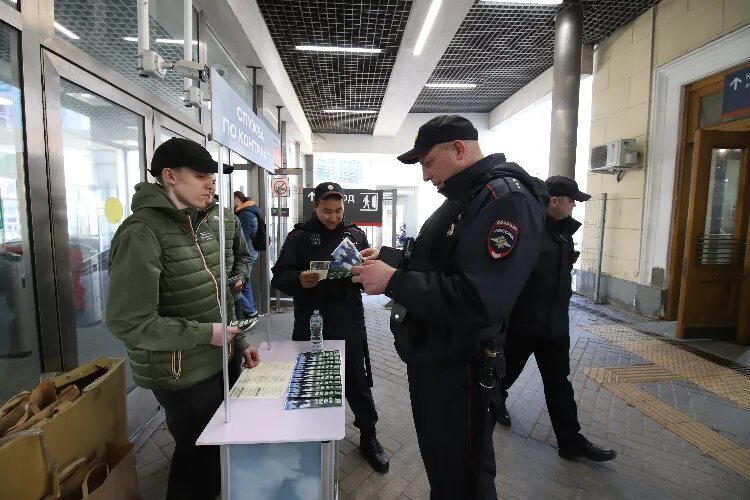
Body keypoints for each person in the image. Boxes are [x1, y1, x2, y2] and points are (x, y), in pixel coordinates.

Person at [351, 115, 548, 499]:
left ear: (459, 149)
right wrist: (391, 260)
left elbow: (481, 298)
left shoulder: (504, 200)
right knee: (444, 469)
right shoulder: (466, 198)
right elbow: (442, 259)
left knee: (463, 477)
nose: (426, 175)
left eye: (427, 162)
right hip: (436, 359)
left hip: (462, 368)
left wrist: (393, 280)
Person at [106, 138, 260, 500]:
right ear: (170, 176)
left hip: (219, 358)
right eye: (201, 175)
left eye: (212, 176)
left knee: (218, 452)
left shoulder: (207, 221)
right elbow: (129, 322)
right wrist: (208, 334)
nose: (211, 183)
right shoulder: (141, 232)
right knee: (197, 460)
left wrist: (238, 341)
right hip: (179, 370)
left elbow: (216, 295)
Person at [491, 175, 617, 463]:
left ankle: (570, 441)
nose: (575, 206)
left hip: (555, 327)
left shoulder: (563, 233)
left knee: (559, 384)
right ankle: (493, 407)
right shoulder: (526, 231)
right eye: (572, 200)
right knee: (503, 376)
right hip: (523, 325)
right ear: (554, 200)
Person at [271, 182, 390, 473]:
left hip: (348, 317)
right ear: (315, 207)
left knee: (356, 380)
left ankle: (368, 434)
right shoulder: (299, 237)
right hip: (311, 318)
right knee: (310, 379)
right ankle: (311, 435)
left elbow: (370, 272)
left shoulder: (355, 235)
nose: (333, 217)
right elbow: (279, 276)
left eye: (338, 211)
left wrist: (366, 274)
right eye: (327, 211)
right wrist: (298, 279)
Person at [233, 191, 261, 319]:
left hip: (246, 253)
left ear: (237, 199)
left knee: (236, 284)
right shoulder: (251, 210)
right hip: (252, 252)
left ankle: (250, 310)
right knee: (245, 284)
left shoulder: (244, 213)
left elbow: (242, 237)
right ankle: (251, 310)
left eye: (232, 199)